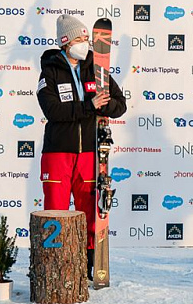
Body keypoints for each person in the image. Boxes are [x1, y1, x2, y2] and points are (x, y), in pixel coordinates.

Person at [36, 14, 126, 280]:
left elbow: (119, 105)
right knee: (56, 207)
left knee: (89, 207)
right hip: (57, 153)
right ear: (65, 42)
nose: (84, 44)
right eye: (79, 39)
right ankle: (54, 264)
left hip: (89, 152)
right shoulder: (49, 72)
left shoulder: (96, 69)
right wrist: (89, 106)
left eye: (86, 39)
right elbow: (52, 110)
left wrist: (104, 104)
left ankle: (88, 264)